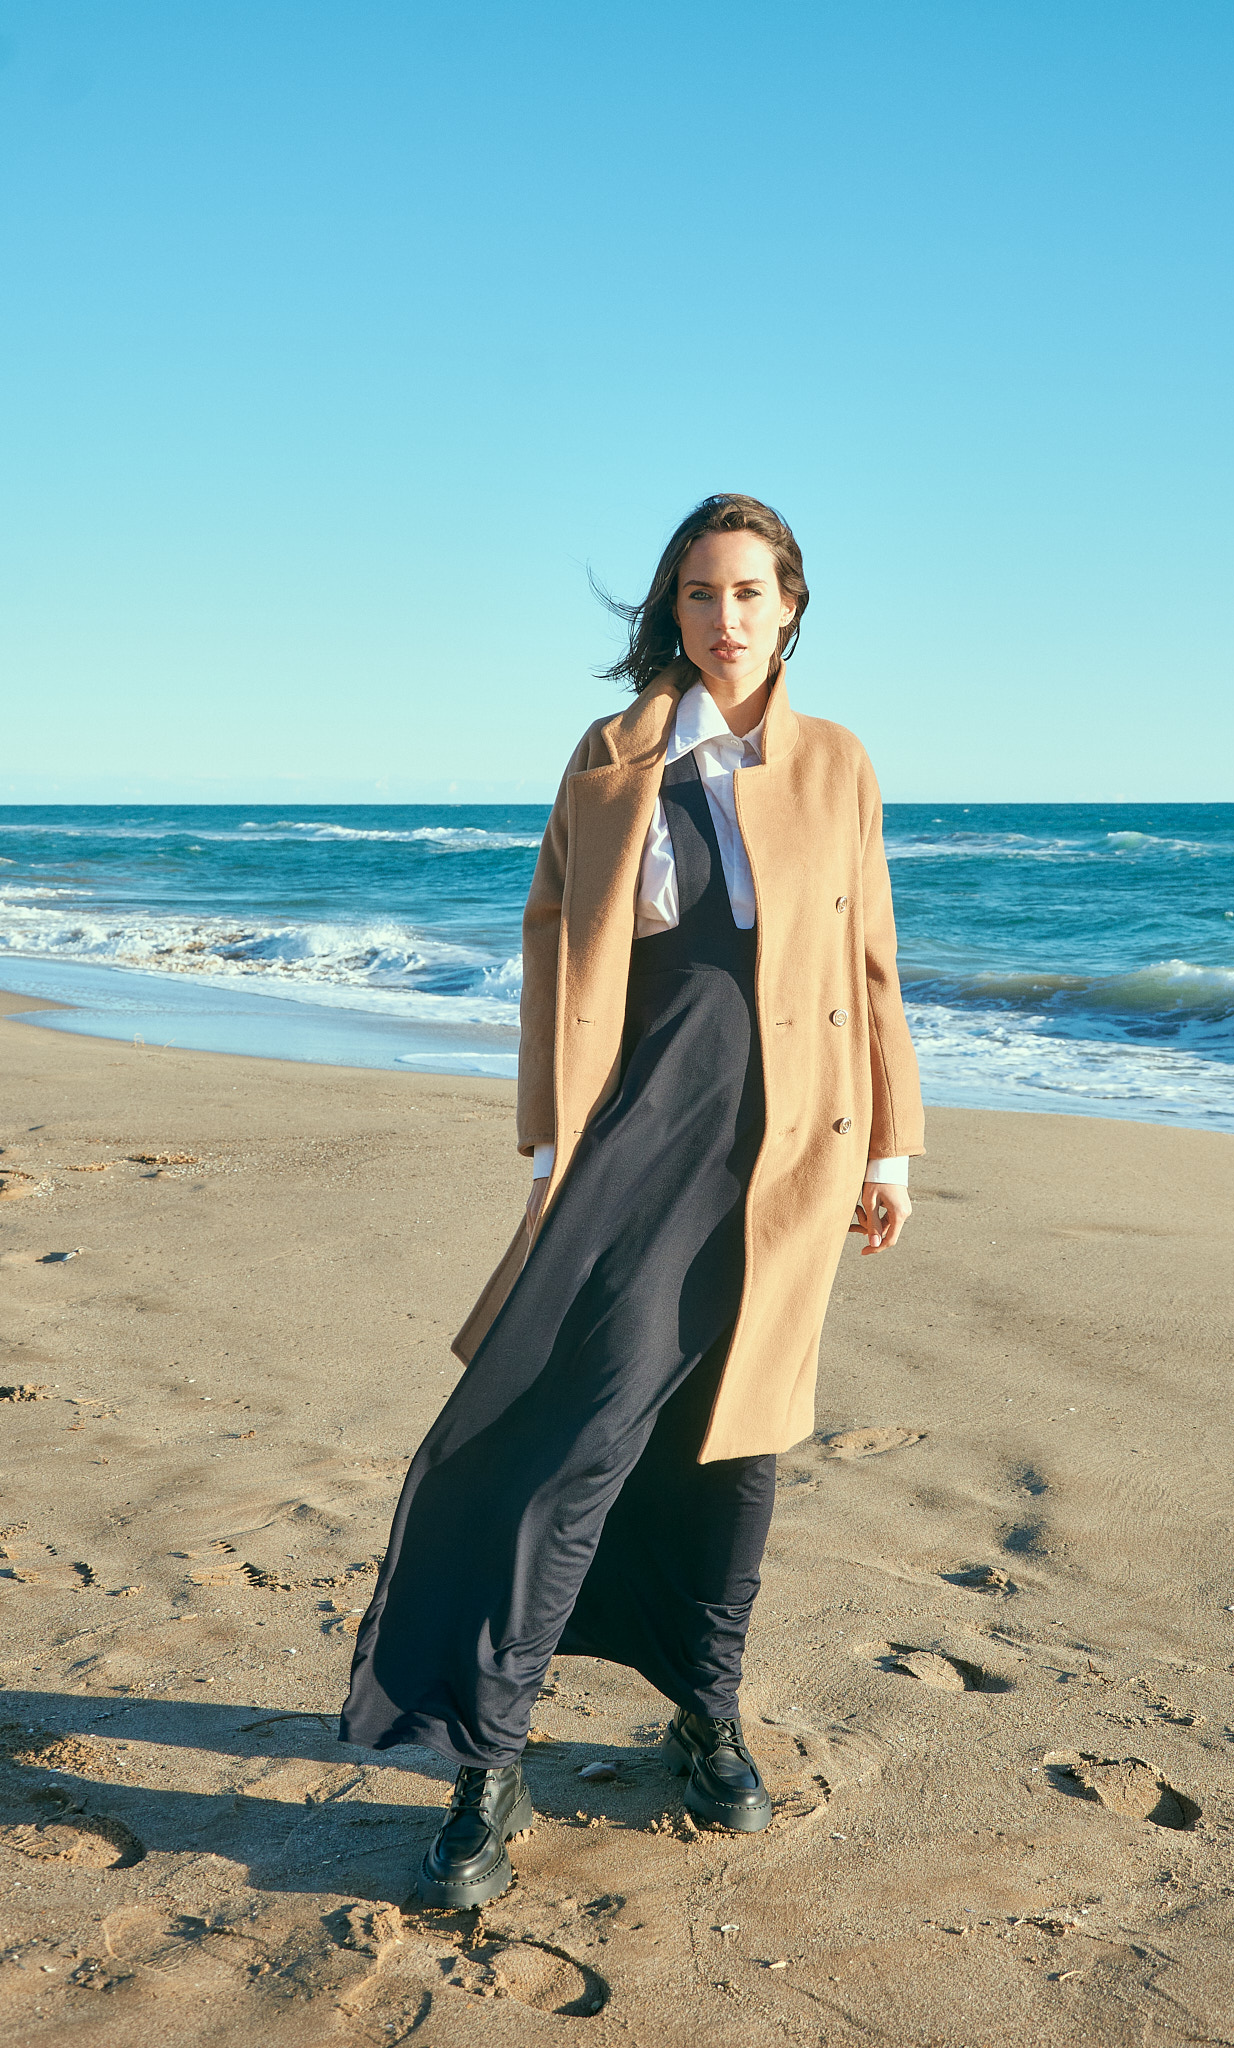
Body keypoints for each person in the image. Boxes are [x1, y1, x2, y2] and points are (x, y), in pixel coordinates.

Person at [340, 493, 924, 1908]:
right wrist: (549, 1133)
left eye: (748, 593)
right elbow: (550, 937)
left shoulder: (838, 763)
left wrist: (889, 1147)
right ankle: (492, 1753)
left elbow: (872, 962)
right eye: (699, 594)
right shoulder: (608, 761)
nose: (724, 620)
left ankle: (702, 1716)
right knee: (565, 1430)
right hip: (636, 1124)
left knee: (738, 1443)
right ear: (670, 610)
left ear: (790, 606)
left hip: (788, 1143)